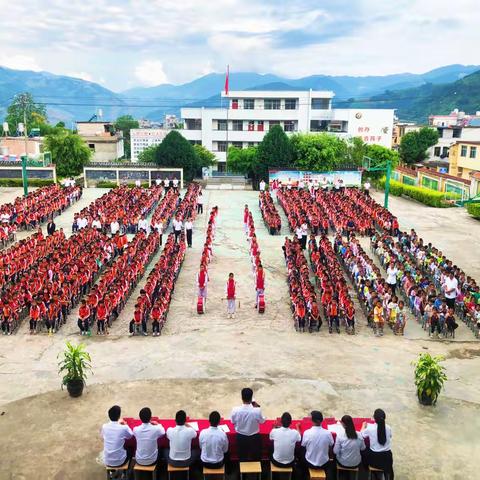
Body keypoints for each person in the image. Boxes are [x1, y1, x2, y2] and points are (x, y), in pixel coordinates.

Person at [231, 387, 266, 461]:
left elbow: (232, 422)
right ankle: (256, 469)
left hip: (240, 437)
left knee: (242, 455)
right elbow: (262, 421)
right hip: (254, 438)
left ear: (242, 397)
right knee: (256, 456)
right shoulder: (257, 410)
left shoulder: (235, 410)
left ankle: (242, 469)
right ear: (251, 398)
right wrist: (257, 408)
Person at [361, 409, 394, 479]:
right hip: (387, 458)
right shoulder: (388, 427)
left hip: (374, 459)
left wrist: (363, 426)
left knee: (363, 449)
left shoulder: (370, 428)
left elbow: (361, 435)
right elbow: (390, 436)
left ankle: (366, 469)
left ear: (374, 418)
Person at [301, 411, 333, 476]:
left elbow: (303, 445)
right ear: (322, 420)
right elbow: (331, 445)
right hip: (324, 463)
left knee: (302, 452)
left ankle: (303, 474)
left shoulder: (307, 433)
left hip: (309, 463)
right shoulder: (328, 433)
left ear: (311, 420)